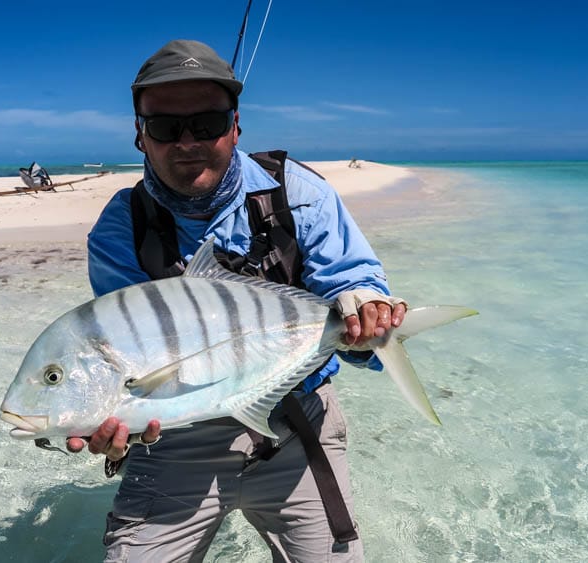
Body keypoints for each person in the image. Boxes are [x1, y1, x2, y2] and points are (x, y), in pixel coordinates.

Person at [67, 39, 407, 562]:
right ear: (140, 134)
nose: (187, 142)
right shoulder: (120, 229)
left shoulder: (298, 193)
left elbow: (349, 280)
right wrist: (111, 421)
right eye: (165, 127)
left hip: (298, 424)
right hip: (176, 434)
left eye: (206, 123)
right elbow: (123, 352)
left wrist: (365, 314)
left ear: (236, 125)